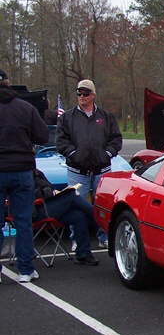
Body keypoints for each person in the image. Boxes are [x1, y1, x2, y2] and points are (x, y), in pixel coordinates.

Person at [56, 79, 122, 247]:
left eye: (85, 94)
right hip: (77, 171)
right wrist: (74, 154)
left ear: (93, 95)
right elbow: (61, 142)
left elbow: (116, 139)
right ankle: (77, 239)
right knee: (76, 205)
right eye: (79, 93)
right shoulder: (67, 117)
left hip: (102, 170)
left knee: (103, 205)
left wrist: (107, 154)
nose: (82, 97)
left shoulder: (106, 117)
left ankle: (104, 237)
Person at [0, 68, 50, 283]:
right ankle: (25, 270)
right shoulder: (25, 107)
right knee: (23, 222)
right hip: (21, 169)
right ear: (8, 83)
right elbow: (43, 135)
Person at [33, 169, 99, 266]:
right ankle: (99, 217)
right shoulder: (22, 174)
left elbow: (48, 187)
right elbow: (29, 195)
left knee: (78, 216)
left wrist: (54, 192)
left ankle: (83, 254)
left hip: (47, 206)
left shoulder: (36, 172)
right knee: (72, 195)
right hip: (35, 211)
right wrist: (47, 192)